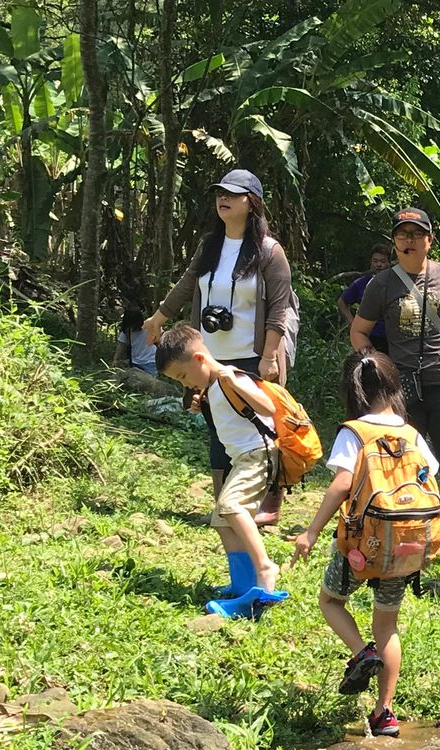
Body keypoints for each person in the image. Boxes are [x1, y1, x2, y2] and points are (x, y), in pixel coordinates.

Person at [290, 351, 439, 737]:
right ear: (394, 387)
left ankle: (361, 651)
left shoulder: (353, 432)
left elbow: (342, 484)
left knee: (330, 600)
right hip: (405, 545)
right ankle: (385, 713)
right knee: (387, 624)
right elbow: (429, 477)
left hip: (360, 545)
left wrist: (310, 532)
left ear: (352, 391)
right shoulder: (411, 433)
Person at [142, 169, 298, 527]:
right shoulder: (209, 246)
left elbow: (279, 307)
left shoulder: (269, 252)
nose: (222, 198)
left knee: (261, 428)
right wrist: (158, 318)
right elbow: (186, 285)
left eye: (232, 193)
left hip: (252, 354)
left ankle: (268, 504)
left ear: (252, 203)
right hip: (210, 353)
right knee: (217, 425)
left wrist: (270, 355)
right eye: (218, 193)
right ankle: (223, 502)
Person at [349, 206, 440, 569]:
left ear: (430, 239)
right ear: (394, 242)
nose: (408, 240)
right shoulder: (380, 285)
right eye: (402, 235)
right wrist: (376, 365)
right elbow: (359, 330)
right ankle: (412, 540)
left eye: (416, 234)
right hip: (402, 390)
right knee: (405, 464)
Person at [156, 325, 280, 594]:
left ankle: (265, 568)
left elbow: (269, 408)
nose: (184, 383)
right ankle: (243, 585)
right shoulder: (211, 387)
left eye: (182, 375)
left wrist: (236, 384)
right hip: (242, 459)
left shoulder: (230, 375)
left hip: (259, 455)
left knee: (230, 504)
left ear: (199, 359)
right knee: (222, 520)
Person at [337, 245, 392, 352]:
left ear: (389, 263)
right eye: (375, 261)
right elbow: (342, 302)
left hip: (392, 339)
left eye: (383, 261)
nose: (379, 265)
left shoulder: (396, 283)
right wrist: (351, 322)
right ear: (371, 263)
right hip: (367, 337)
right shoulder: (361, 283)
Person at [113, 307, 157, 375]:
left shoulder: (148, 328)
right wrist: (115, 360)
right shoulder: (126, 333)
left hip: (150, 361)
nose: (133, 328)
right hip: (135, 362)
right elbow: (120, 347)